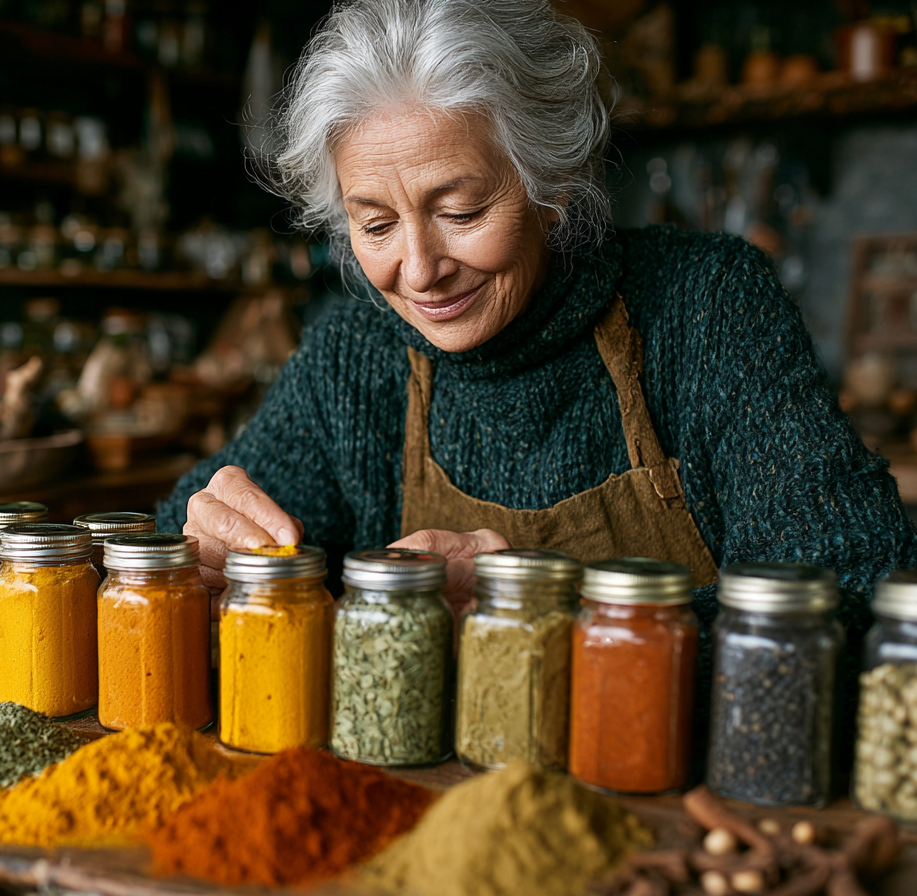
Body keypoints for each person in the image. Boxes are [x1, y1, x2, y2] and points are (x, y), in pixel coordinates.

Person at [157, 0, 917, 640]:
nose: (419, 272)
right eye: (376, 224)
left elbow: (856, 583)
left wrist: (554, 607)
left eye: (461, 211)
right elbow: (175, 530)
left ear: (552, 184)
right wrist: (203, 540)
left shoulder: (706, 306)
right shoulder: (357, 351)